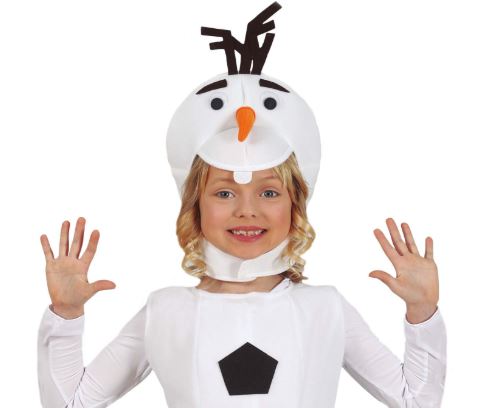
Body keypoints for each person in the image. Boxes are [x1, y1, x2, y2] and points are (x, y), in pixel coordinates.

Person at [37, 2, 447, 407]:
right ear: (195, 207)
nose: (247, 210)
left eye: (269, 193)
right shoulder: (166, 311)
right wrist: (66, 315)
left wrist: (422, 312)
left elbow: (416, 401)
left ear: (295, 206)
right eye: (224, 192)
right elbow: (71, 403)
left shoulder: (324, 308)